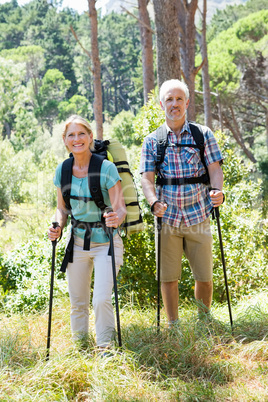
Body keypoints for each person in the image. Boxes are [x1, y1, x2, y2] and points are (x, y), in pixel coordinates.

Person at [140, 79, 224, 326]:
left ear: (187, 102)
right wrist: (154, 202)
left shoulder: (203, 134)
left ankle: (203, 322)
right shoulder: (152, 141)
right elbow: (146, 179)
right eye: (169, 99)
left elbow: (215, 169)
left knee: (205, 277)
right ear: (161, 104)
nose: (174, 104)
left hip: (199, 213)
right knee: (168, 277)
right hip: (168, 219)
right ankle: (173, 326)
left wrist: (217, 191)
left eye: (179, 99)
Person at [48, 115, 126, 350]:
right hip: (78, 243)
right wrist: (57, 226)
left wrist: (115, 217)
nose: (77, 139)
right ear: (65, 140)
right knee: (78, 302)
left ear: (91, 137)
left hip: (107, 242)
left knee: (101, 299)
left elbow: (120, 207)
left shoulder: (106, 168)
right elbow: (62, 208)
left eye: (81, 133)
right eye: (71, 135)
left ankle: (105, 351)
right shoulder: (63, 170)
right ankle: (80, 349)